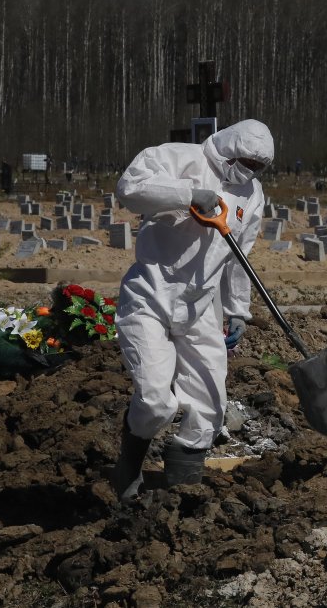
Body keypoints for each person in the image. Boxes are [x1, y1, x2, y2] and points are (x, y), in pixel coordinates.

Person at [108, 119, 272, 502]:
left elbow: (238, 256)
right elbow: (130, 187)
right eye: (245, 162)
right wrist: (186, 194)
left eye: (257, 167)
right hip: (152, 295)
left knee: (210, 405)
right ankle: (128, 466)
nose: (249, 171)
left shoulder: (252, 194)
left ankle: (183, 494)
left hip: (200, 307)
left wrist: (237, 309)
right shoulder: (179, 158)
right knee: (155, 401)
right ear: (229, 150)